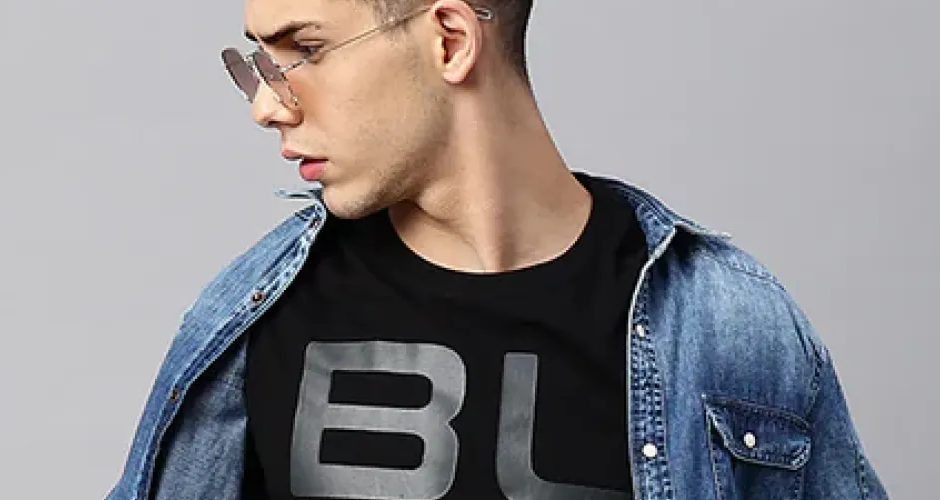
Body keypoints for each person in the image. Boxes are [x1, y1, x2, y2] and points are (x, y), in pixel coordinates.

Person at [105, 0, 888, 498]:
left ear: (449, 40)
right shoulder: (248, 318)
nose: (268, 105)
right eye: (260, 61)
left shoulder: (728, 323)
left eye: (302, 51)